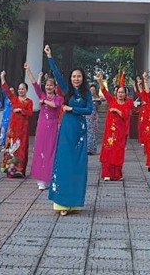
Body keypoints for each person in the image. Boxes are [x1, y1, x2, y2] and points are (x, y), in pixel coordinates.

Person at [46, 44, 93, 215]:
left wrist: (73, 109)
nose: (76, 79)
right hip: (66, 131)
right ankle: (62, 203)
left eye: (78, 76)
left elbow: (89, 110)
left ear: (83, 78)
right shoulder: (67, 91)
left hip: (80, 133)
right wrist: (50, 57)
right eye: (73, 76)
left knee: (77, 166)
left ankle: (74, 203)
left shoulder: (87, 93)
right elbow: (58, 77)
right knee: (64, 164)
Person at [28, 64, 63, 190]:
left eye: (51, 86)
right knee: (41, 150)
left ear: (54, 87)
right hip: (42, 126)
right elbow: (34, 84)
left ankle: (49, 177)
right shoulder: (41, 95)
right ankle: (41, 179)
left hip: (53, 127)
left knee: (51, 151)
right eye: (47, 85)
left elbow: (55, 105)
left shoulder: (58, 98)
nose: (48, 87)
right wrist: (28, 70)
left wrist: (44, 102)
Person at [97, 72, 132, 182]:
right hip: (110, 133)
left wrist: (116, 110)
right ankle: (106, 174)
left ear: (125, 94)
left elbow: (125, 116)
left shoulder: (127, 103)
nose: (120, 94)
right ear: (116, 93)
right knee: (108, 151)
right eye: (119, 92)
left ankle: (117, 174)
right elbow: (104, 91)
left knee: (118, 153)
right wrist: (100, 81)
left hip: (120, 133)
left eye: (122, 92)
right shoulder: (111, 100)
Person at [0, 68, 34, 178]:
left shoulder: (29, 101)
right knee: (12, 149)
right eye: (19, 89)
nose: (21, 91)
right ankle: (11, 170)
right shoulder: (14, 99)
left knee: (22, 148)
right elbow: (6, 89)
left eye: (23, 89)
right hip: (13, 130)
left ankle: (20, 170)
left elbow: (30, 113)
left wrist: (21, 111)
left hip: (23, 130)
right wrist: (2, 77)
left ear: (26, 90)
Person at [86, 84, 101, 156]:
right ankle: (87, 149)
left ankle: (93, 149)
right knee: (88, 133)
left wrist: (95, 99)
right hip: (87, 117)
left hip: (94, 117)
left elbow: (102, 100)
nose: (92, 91)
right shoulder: (86, 97)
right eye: (91, 90)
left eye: (94, 90)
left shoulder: (97, 97)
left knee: (94, 133)